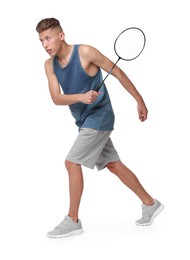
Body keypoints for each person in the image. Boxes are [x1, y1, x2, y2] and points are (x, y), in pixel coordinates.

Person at [36, 18, 164, 238]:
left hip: (100, 117)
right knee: (113, 165)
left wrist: (139, 100)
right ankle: (150, 203)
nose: (45, 44)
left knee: (71, 162)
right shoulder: (49, 65)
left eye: (48, 38)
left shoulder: (85, 52)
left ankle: (73, 220)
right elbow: (56, 98)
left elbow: (118, 73)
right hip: (83, 121)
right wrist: (81, 97)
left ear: (61, 35)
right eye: (40, 40)